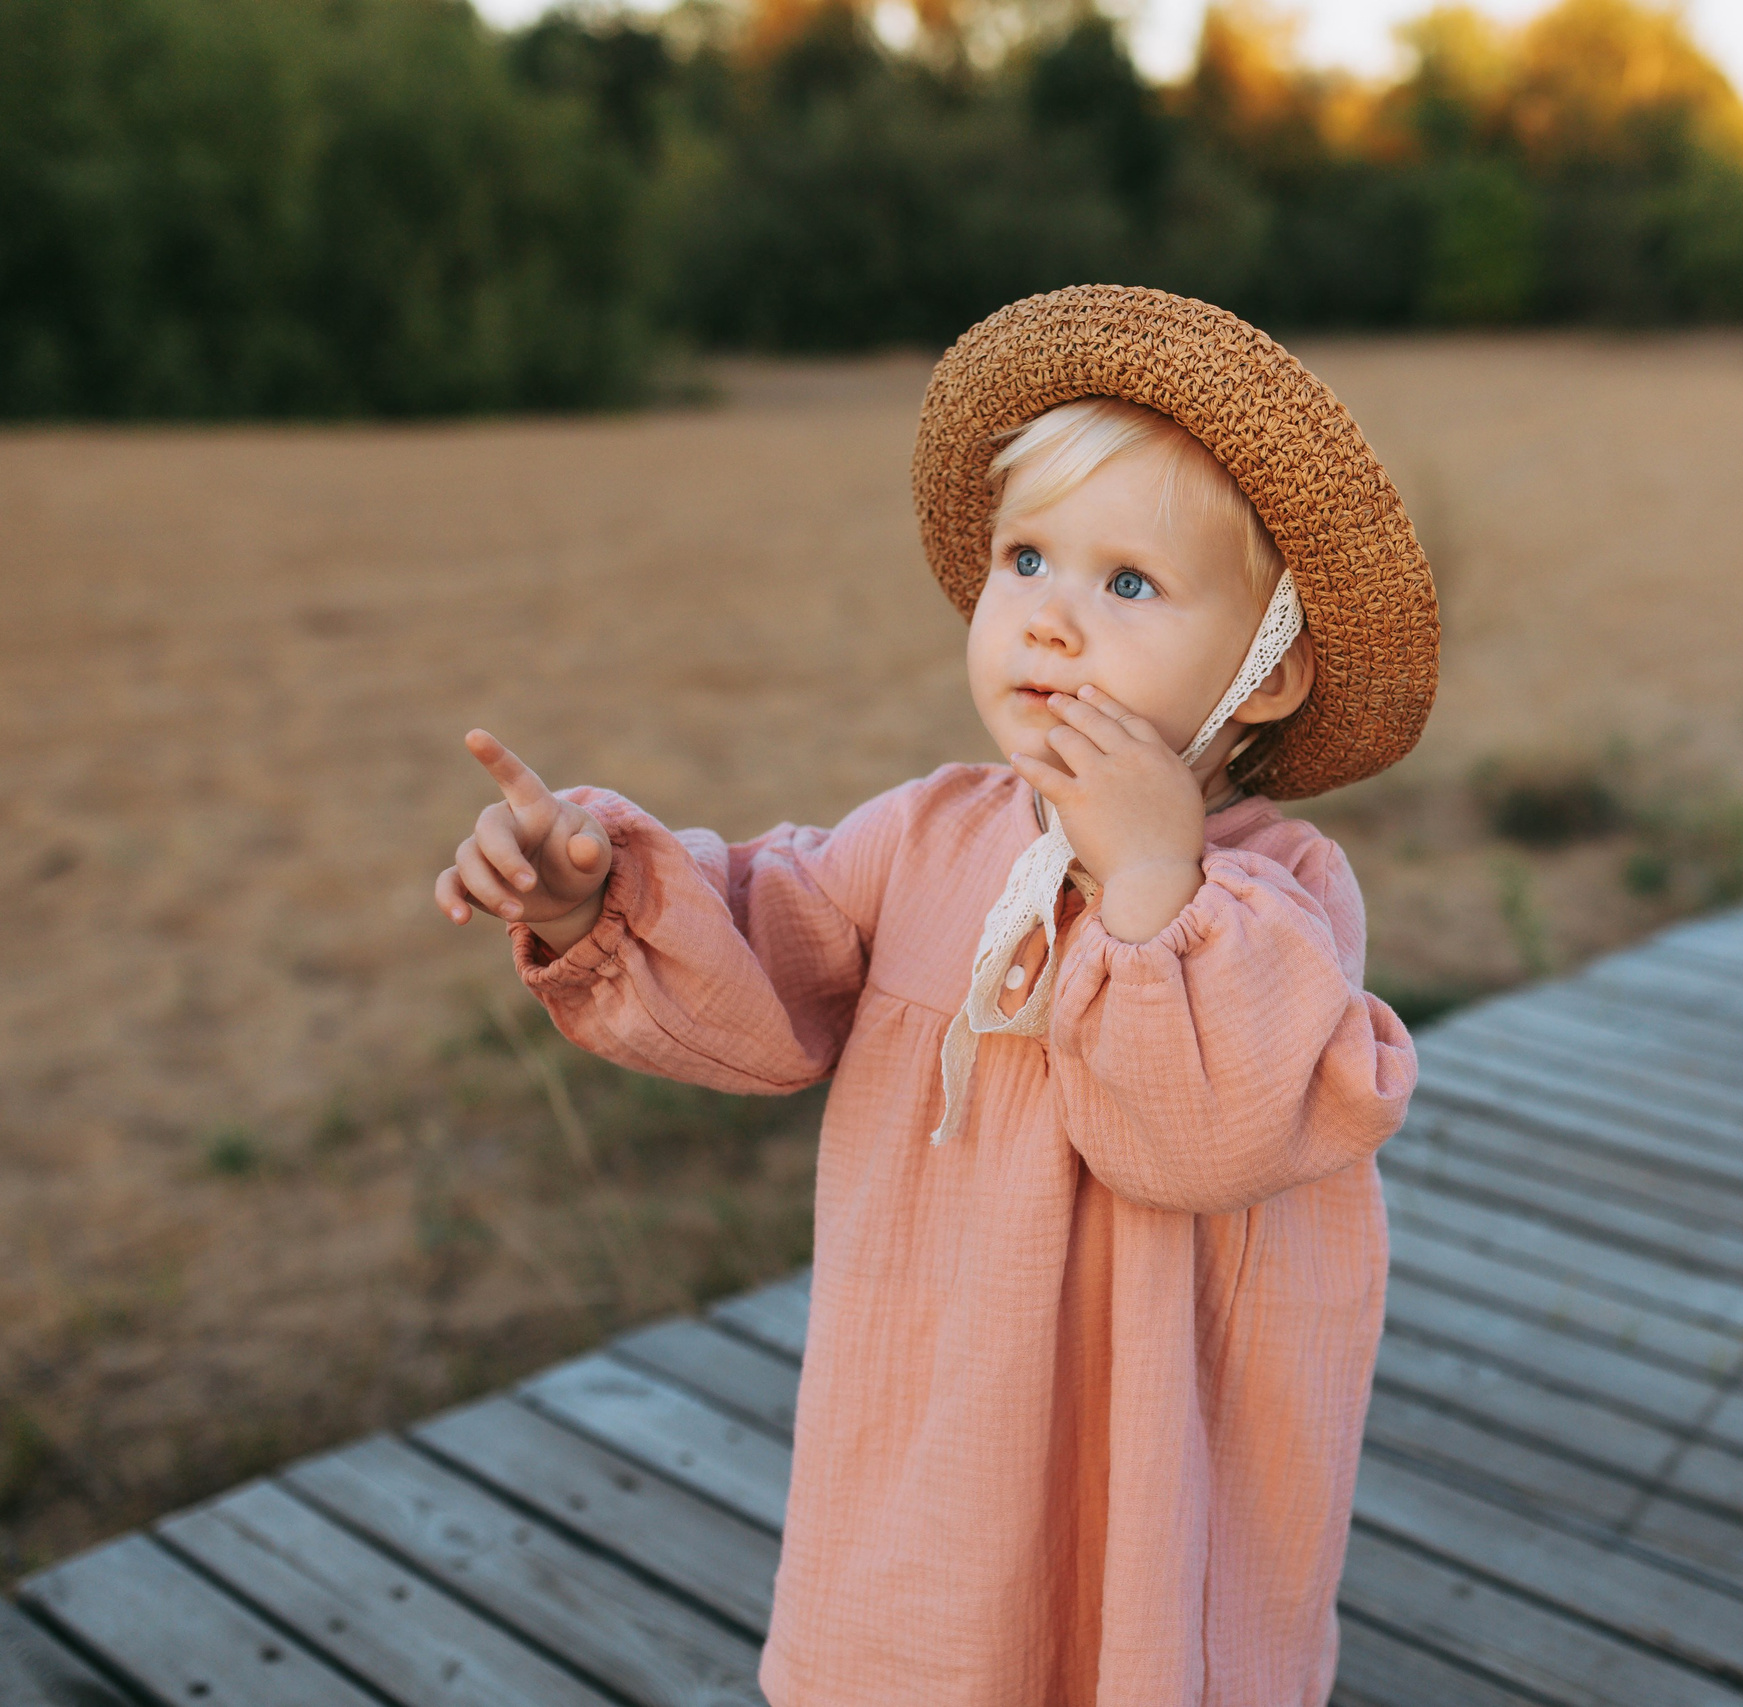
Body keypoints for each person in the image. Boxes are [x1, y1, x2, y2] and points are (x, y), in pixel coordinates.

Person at [434, 285, 1439, 1707]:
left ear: (1274, 676)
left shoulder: (1275, 899)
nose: (1053, 624)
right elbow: (759, 962)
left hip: (1154, 1463)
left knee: (1131, 1648)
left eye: (1130, 585)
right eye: (1025, 560)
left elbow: (1209, 1134)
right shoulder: (927, 838)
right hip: (937, 1430)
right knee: (925, 1647)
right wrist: (591, 898)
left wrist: (1150, 875)